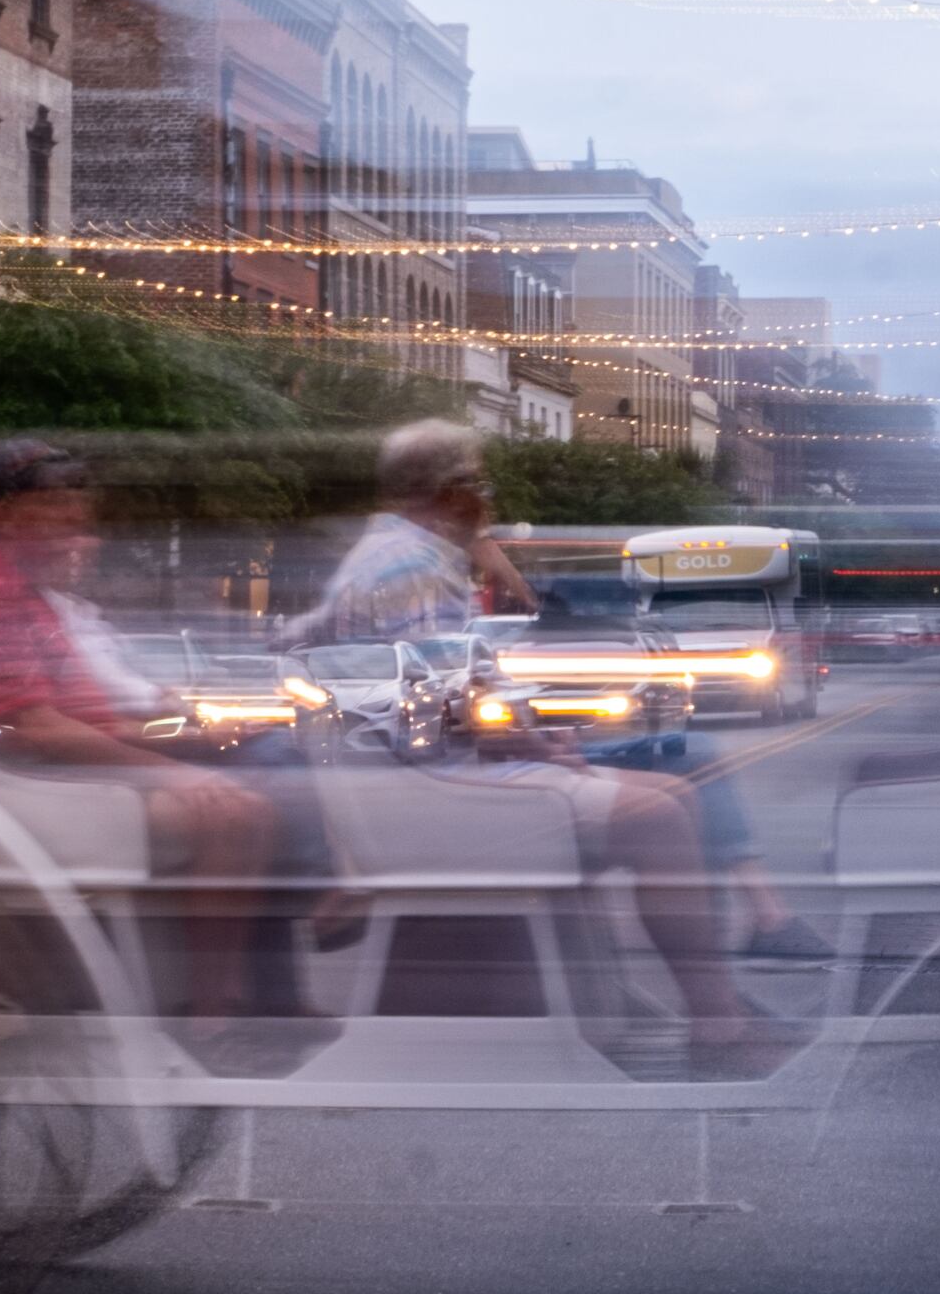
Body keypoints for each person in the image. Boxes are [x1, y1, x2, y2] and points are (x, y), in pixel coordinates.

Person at [290, 420, 812, 1068]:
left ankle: (707, 1008)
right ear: (451, 491)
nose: (490, 496)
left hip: (419, 783)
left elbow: (450, 691)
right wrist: (540, 751)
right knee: (658, 814)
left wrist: (537, 738)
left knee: (676, 786)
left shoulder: (402, 556)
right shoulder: (409, 571)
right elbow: (436, 712)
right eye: (480, 480)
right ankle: (719, 1023)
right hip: (430, 796)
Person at [0, 438, 280, 1045]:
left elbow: (82, 718)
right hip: (24, 782)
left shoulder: (24, 590)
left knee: (260, 783)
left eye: (79, 500)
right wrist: (173, 770)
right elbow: (40, 728)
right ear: (3, 514)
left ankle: (234, 997)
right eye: (56, 503)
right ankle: (213, 1012)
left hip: (54, 770)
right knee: (241, 812)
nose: (78, 517)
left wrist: (181, 740)